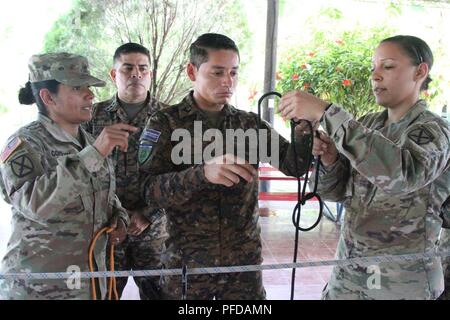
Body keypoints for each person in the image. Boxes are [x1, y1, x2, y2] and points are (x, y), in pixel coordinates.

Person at [138, 33, 312, 300]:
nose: (227, 81)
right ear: (192, 71)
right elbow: (149, 192)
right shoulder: (166, 123)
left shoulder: (249, 125)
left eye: (233, 73)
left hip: (243, 267)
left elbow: (295, 166)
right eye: (217, 72)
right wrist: (202, 174)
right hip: (188, 266)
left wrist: (304, 133)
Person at [279, 35, 450, 299]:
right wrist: (330, 158)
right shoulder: (369, 124)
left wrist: (327, 113)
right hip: (349, 276)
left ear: (420, 71)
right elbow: (336, 193)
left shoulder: (433, 131)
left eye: (388, 66)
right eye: (373, 68)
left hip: (401, 285)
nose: (376, 76)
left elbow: (400, 175)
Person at [0, 52, 138, 299]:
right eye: (77, 87)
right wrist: (95, 153)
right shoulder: (25, 144)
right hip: (38, 289)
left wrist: (119, 218)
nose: (90, 94)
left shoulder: (89, 143)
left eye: (88, 87)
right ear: (47, 97)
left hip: (89, 285)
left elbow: (105, 196)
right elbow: (36, 204)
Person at [83, 43, 168, 300]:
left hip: (154, 234)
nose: (136, 74)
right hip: (108, 232)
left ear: (150, 74)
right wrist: (114, 215)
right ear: (114, 74)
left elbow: (180, 177)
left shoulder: (169, 118)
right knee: (104, 295)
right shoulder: (92, 117)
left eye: (143, 68)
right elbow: (82, 173)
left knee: (160, 295)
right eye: (127, 68)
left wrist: (149, 214)